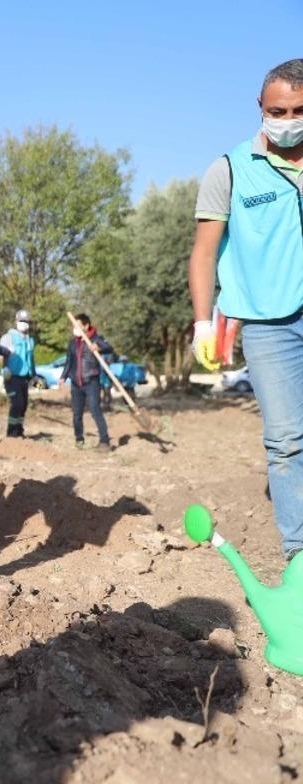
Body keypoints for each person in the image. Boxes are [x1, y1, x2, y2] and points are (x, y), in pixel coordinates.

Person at [190, 58, 303, 564]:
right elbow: (204, 252)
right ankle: (299, 554)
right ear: (260, 107)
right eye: (277, 110)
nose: (287, 119)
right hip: (267, 324)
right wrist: (202, 323)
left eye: (299, 111)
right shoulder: (230, 168)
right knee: (285, 441)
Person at [59, 313, 113, 451]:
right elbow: (68, 362)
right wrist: (63, 377)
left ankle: (104, 441)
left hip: (91, 382)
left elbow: (109, 348)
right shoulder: (72, 343)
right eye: (74, 325)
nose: (74, 328)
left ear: (86, 326)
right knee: (77, 414)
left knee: (95, 411)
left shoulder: (95, 339)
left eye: (77, 325)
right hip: (76, 383)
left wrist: (98, 347)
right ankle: (79, 439)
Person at [0, 310, 36, 437]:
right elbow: (0, 355)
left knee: (24, 406)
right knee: (17, 404)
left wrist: (34, 374)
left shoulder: (30, 340)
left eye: (26, 321)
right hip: (12, 377)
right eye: (22, 321)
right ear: (16, 321)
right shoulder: (8, 337)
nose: (24, 323)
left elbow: (31, 359)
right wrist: (4, 369)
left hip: (25, 378)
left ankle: (19, 430)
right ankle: (11, 432)